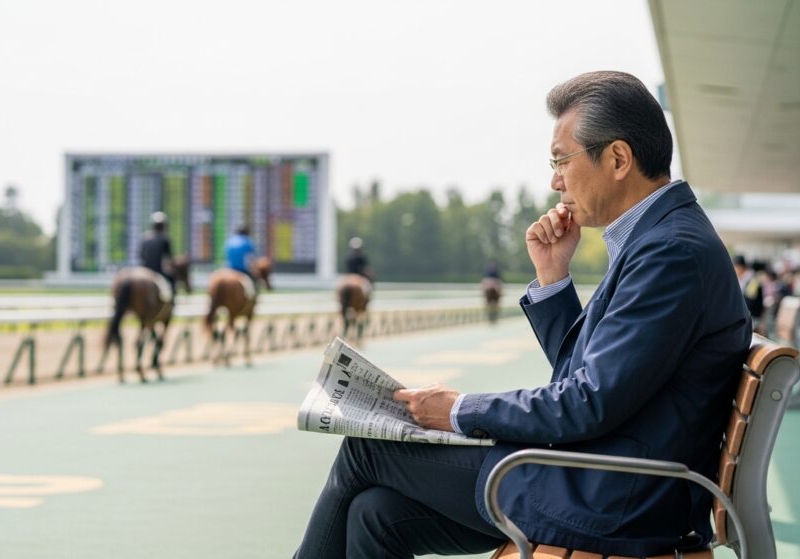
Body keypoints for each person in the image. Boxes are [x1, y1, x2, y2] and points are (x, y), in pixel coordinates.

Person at [292, 71, 752, 558]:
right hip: (609, 478)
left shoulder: (670, 252)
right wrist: (553, 279)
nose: (555, 180)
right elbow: (592, 381)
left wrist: (456, 409)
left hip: (614, 497)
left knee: (367, 449)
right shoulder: (660, 239)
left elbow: (586, 403)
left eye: (561, 161)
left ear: (617, 159)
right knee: (376, 514)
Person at [139, 211, 175, 298]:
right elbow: (169, 258)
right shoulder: (165, 238)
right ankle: (172, 303)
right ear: (163, 225)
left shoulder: (145, 237)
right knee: (172, 280)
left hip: (144, 270)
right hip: (158, 271)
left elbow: (141, 255)